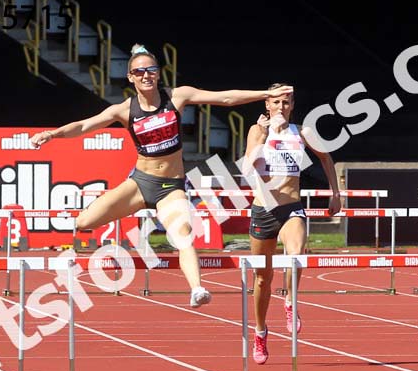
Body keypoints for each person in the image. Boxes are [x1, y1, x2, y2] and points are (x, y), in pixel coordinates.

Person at [29, 44, 294, 308]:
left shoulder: (176, 97)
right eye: (139, 71)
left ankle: (197, 288)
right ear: (131, 77)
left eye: (151, 70)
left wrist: (265, 94)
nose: (146, 75)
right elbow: (85, 125)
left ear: (158, 74)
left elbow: (224, 98)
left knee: (183, 233)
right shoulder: (123, 110)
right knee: (84, 221)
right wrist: (52, 135)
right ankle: (71, 253)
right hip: (141, 183)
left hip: (171, 187)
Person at [241, 84, 342, 364]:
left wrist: (335, 193)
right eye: (276, 102)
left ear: (292, 104)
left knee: (297, 256)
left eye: (286, 102)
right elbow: (248, 169)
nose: (281, 107)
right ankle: (260, 331)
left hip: (291, 208)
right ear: (267, 106)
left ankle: (290, 302)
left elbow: (325, 157)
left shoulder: (302, 132)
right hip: (263, 210)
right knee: (262, 279)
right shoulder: (256, 130)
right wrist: (263, 136)